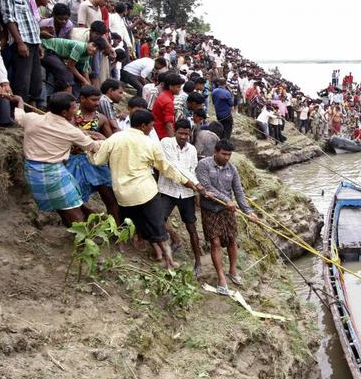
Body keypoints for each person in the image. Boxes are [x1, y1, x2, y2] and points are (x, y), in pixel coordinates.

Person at [88, 109, 210, 269]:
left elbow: (97, 160)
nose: (152, 129)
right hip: (146, 193)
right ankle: (169, 261)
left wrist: (91, 148)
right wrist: (185, 181)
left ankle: (138, 249)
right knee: (158, 227)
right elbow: (166, 168)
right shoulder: (150, 143)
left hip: (123, 195)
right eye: (151, 126)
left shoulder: (115, 139)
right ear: (143, 126)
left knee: (136, 223)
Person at [14, 93, 100, 226]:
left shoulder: (31, 118)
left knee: (63, 207)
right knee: (72, 210)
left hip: (32, 171)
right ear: (64, 112)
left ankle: (80, 228)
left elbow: (19, 116)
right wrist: (104, 140)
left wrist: (19, 101)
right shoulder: (71, 131)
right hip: (53, 173)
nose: (76, 111)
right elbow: (92, 147)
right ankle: (84, 237)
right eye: (74, 108)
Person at [195, 139, 259, 294]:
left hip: (227, 210)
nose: (226, 157)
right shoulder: (204, 165)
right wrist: (227, 200)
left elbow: (238, 191)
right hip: (210, 209)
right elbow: (207, 187)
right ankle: (221, 278)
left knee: (232, 239)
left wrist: (248, 211)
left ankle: (232, 271)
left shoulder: (232, 169)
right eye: (224, 154)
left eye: (229, 155)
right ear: (215, 152)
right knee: (215, 242)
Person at [64, 85, 120, 223]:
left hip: (96, 163)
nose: (97, 103)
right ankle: (85, 220)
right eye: (93, 100)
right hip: (73, 162)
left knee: (110, 198)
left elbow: (111, 142)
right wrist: (86, 134)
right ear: (82, 99)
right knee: (73, 198)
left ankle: (117, 229)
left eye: (98, 100)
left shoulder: (101, 118)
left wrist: (101, 138)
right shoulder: (69, 115)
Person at [159, 119, 204, 276]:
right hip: (168, 190)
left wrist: (196, 189)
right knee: (159, 220)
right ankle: (167, 255)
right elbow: (174, 165)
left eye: (186, 133)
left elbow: (192, 169)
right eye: (180, 133)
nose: (184, 136)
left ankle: (198, 261)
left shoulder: (192, 150)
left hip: (186, 194)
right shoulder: (166, 143)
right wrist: (195, 183)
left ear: (190, 133)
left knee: (191, 227)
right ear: (174, 131)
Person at [0, 0, 43, 109]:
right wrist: (19, 42)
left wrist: (39, 43)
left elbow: (32, 18)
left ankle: (32, 110)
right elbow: (8, 17)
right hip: (22, 40)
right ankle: (19, 112)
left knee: (36, 80)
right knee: (22, 81)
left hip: (33, 39)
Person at [40, 37, 106, 92]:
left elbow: (85, 72)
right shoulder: (80, 47)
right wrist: (84, 81)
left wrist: (89, 86)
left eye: (97, 49)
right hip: (46, 49)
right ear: (89, 42)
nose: (94, 49)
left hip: (56, 56)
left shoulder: (87, 56)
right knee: (67, 74)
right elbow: (70, 66)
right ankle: (68, 101)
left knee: (75, 78)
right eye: (94, 45)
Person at [152, 72, 184, 139]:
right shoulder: (168, 101)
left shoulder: (163, 95)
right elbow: (169, 124)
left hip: (156, 131)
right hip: (162, 135)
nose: (180, 89)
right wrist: (172, 141)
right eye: (178, 87)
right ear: (170, 87)